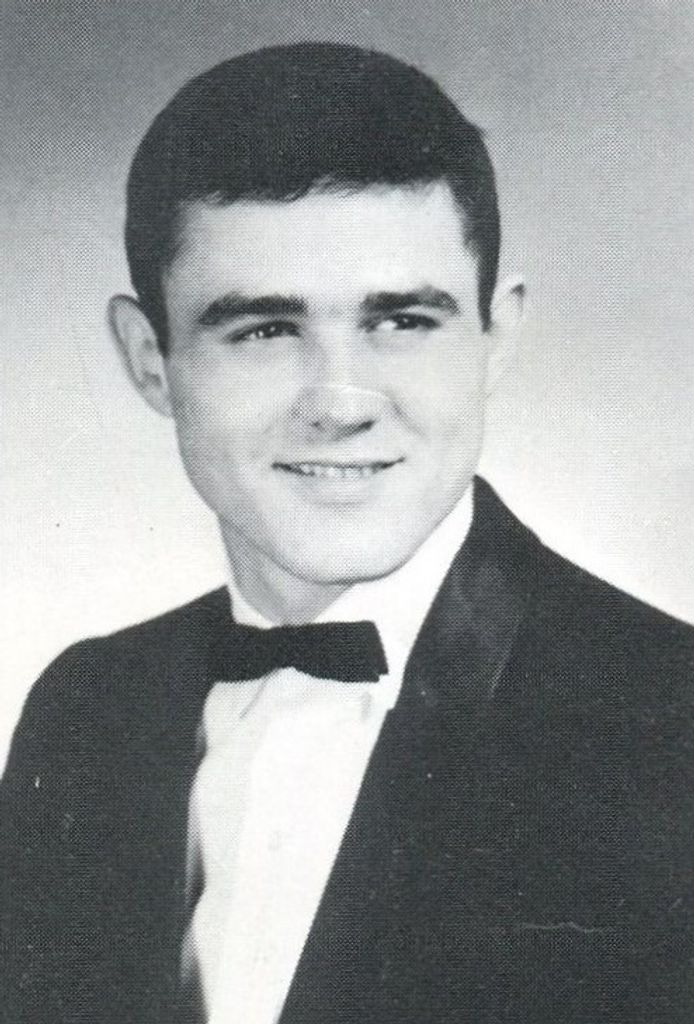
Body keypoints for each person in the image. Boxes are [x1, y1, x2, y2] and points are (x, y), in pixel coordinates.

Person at [1, 42, 692, 1024]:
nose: (340, 403)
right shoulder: (86, 713)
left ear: (494, 338)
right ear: (150, 359)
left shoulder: (669, 727)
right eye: (263, 330)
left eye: (402, 321)